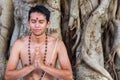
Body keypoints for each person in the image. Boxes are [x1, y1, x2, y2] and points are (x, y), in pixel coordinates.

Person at [5, 5, 73, 80]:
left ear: (48, 24)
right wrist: (32, 66)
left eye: (41, 22)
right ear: (28, 23)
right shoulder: (19, 44)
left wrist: (43, 66)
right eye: (33, 21)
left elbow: (69, 75)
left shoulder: (57, 44)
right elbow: (8, 76)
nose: (37, 25)